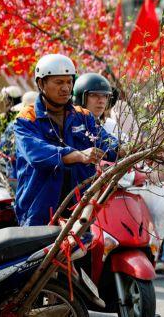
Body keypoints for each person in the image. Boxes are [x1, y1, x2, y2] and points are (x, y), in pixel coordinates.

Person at [14, 54, 118, 226]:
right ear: (41, 84)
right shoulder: (27, 119)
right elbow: (37, 154)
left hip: (79, 213)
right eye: (59, 82)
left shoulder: (83, 116)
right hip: (38, 213)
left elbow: (108, 143)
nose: (66, 88)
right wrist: (77, 155)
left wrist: (126, 148)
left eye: (69, 82)